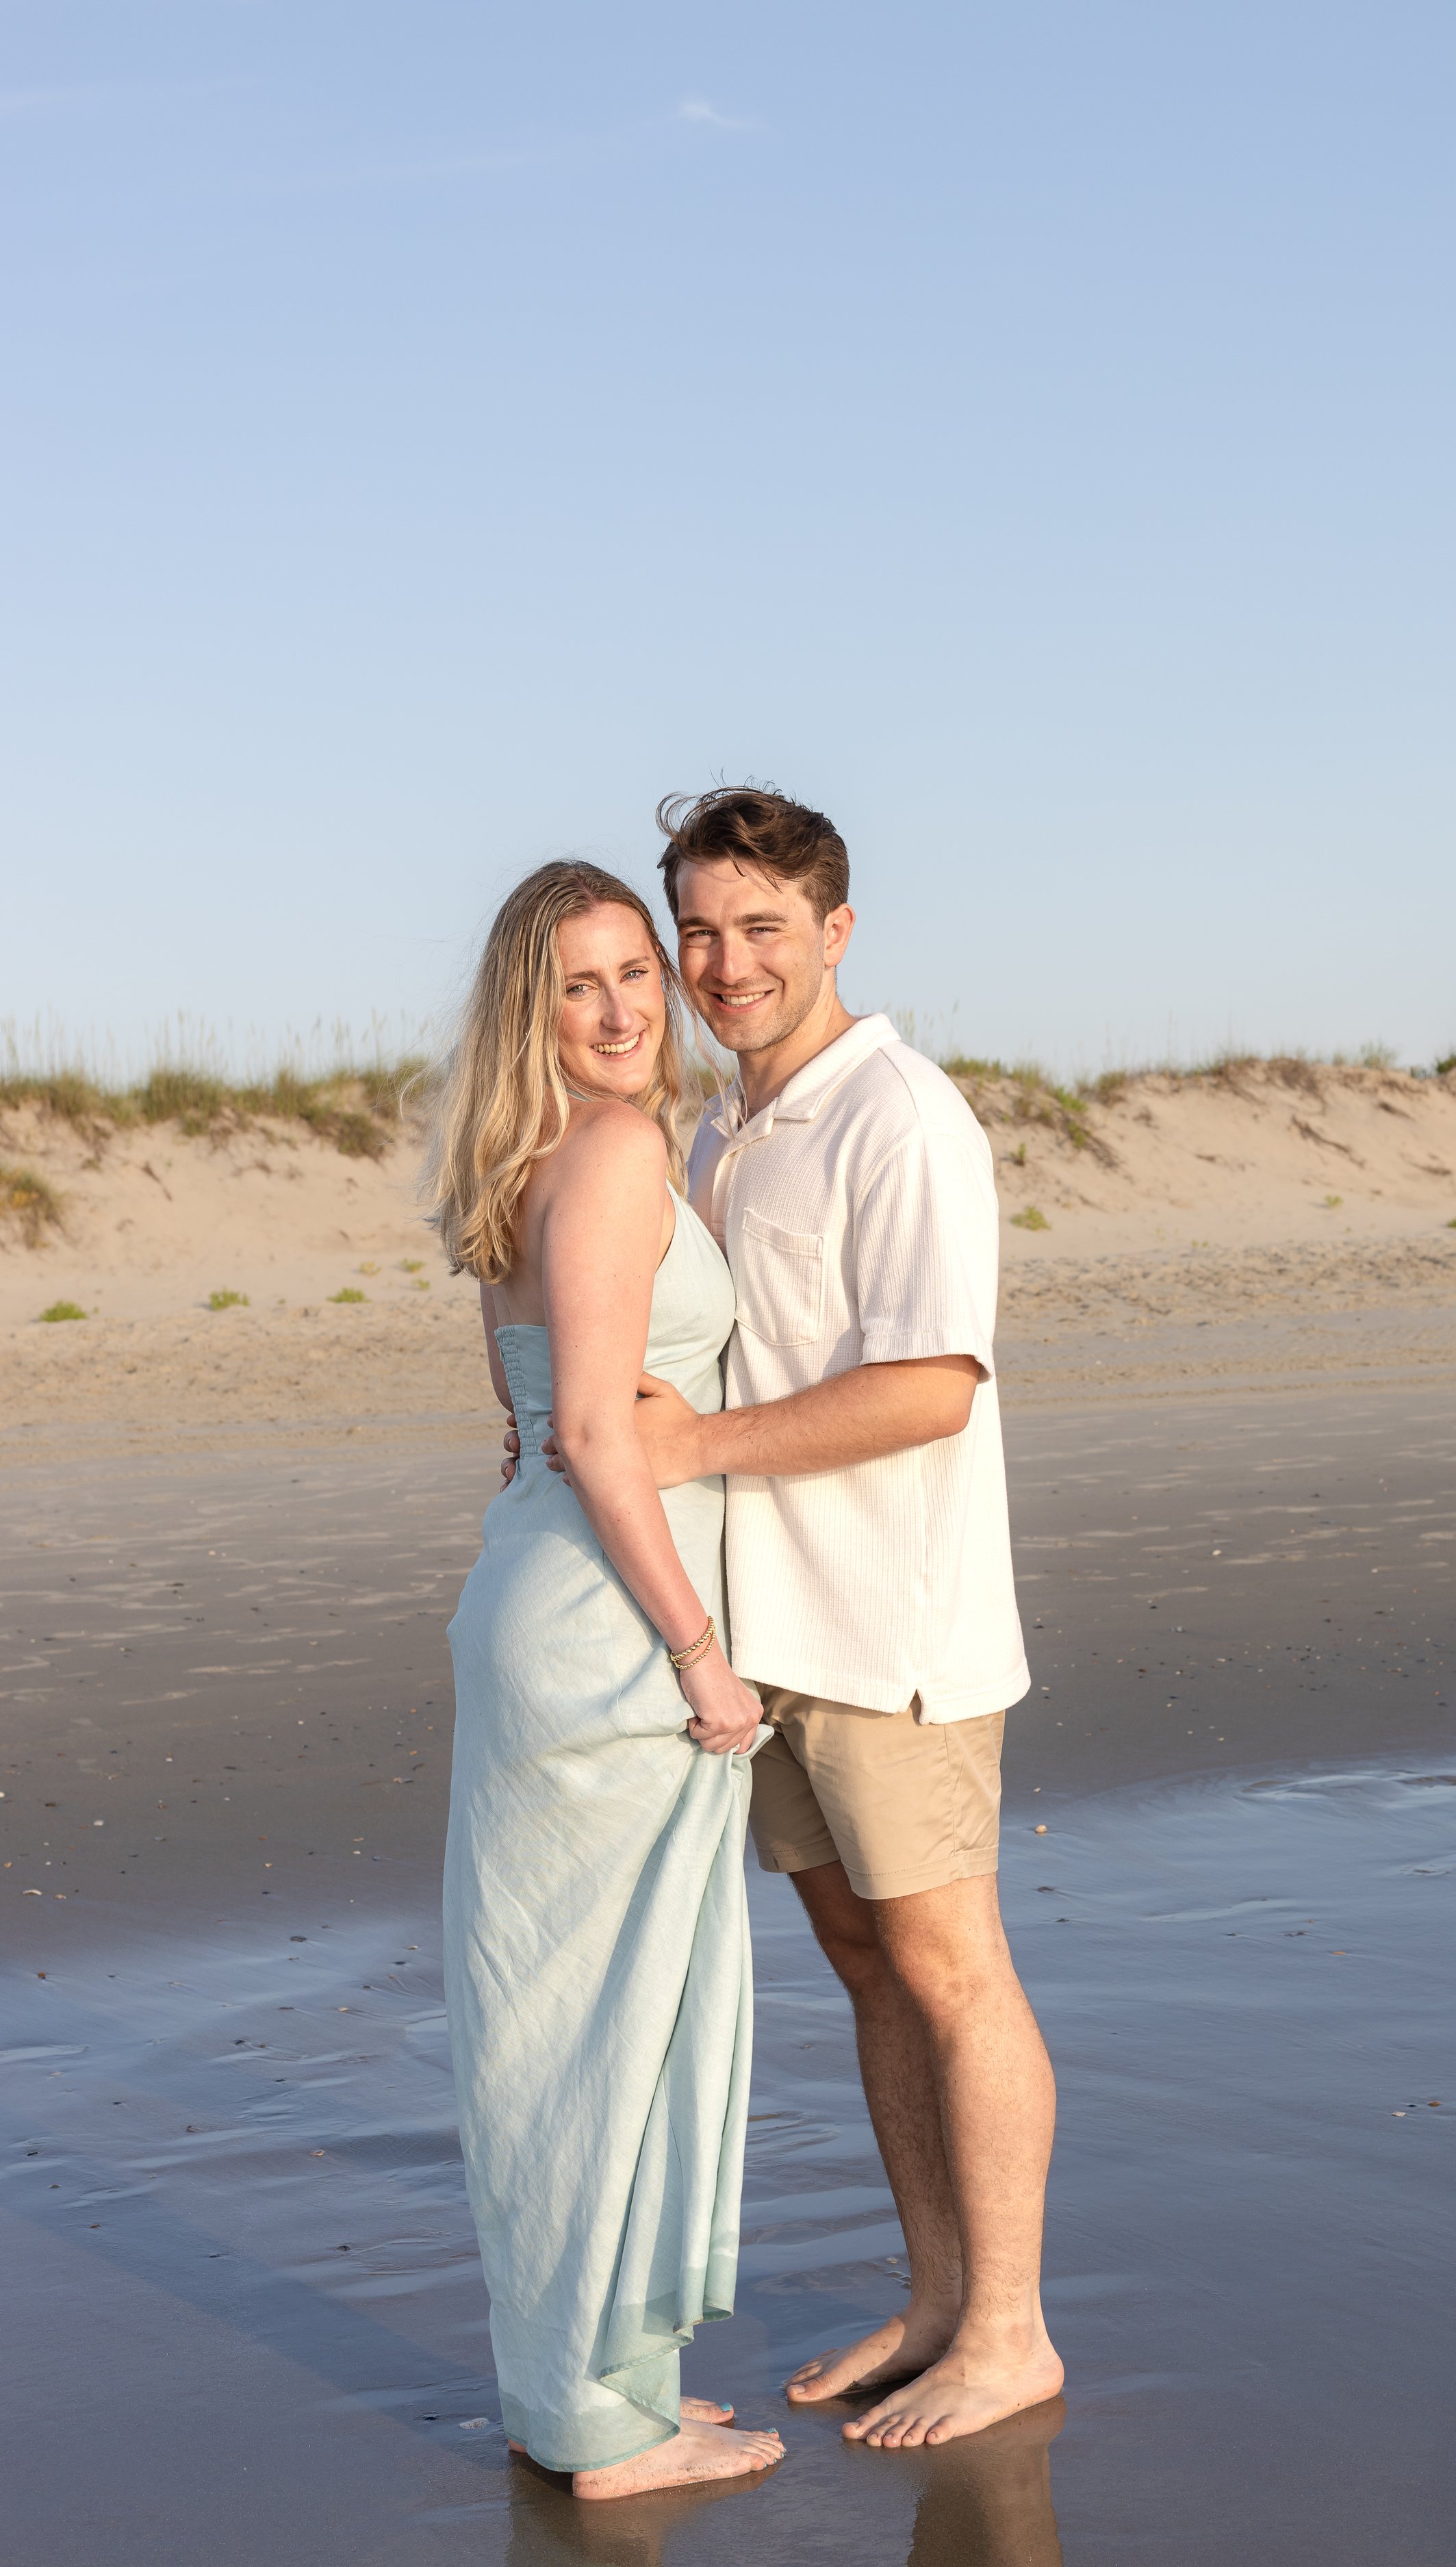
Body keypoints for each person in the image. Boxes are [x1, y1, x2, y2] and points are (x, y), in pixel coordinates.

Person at [519, 788, 1062, 2450]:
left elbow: (929, 1388)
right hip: (770, 1636)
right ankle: (933, 2297)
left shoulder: (899, 1115)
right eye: (700, 931)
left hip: (893, 1629)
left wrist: (694, 1445)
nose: (722, 963)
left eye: (762, 929)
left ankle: (1013, 2332)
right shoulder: (719, 1127)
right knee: (862, 1961)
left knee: (950, 1965)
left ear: (834, 932)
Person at [426, 859, 784, 2499]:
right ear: (535, 1009)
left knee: (563, 2018)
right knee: (606, 2023)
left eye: (639, 970)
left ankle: (596, 2393)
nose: (629, 1006)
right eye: (583, 984)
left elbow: (527, 1421)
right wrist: (703, 1658)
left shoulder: (536, 1159)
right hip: (609, 1633)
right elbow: (583, 1429)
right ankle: (594, 2417)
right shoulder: (625, 1147)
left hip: (540, 1596)